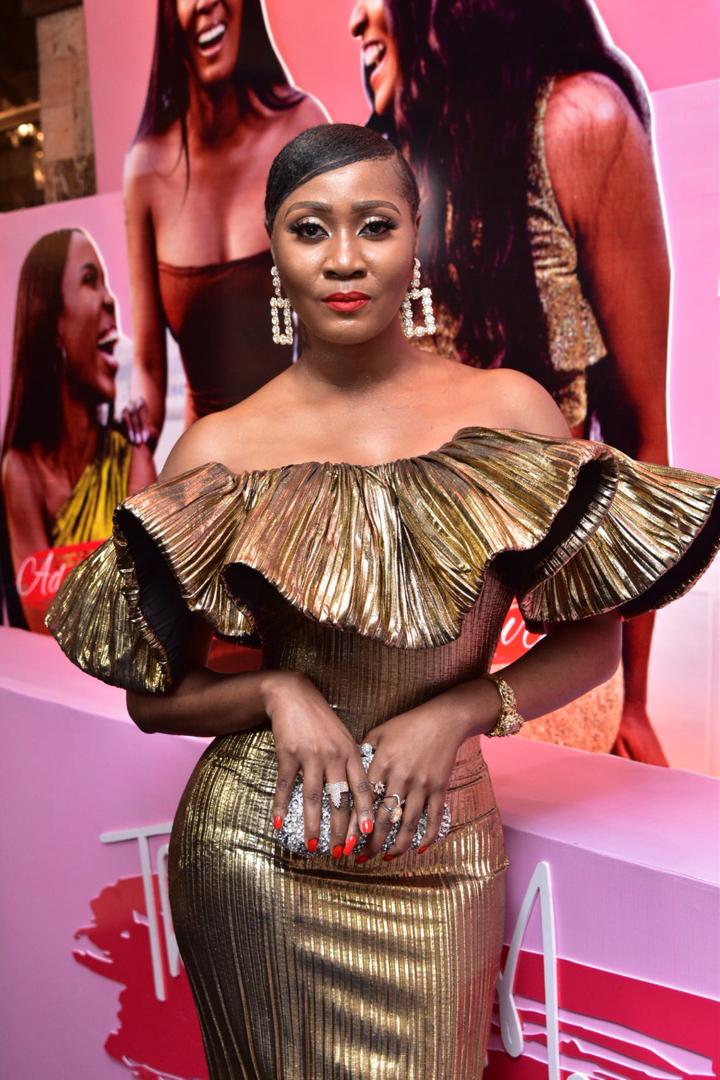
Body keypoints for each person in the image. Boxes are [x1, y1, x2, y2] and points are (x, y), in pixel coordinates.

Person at [46, 125, 720, 1078]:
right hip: (258, 853)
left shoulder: (509, 411)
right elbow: (153, 699)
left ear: (417, 236)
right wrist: (275, 693)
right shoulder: (221, 449)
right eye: (309, 229)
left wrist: (461, 709)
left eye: (374, 225)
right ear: (274, 253)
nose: (344, 259)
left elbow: (595, 646)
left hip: (439, 856)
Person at [349, 0, 672, 763]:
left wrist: (635, 699)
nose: (356, 19)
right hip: (396, 667)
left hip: (544, 673)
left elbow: (640, 441)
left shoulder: (578, 121)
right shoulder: (381, 166)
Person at [124, 0, 328, 444]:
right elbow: (149, 370)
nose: (205, 3)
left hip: (301, 451)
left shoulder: (301, 128)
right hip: (205, 468)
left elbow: (341, 316)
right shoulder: (145, 171)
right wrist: (134, 433)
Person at [0, 228, 154, 633]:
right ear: (51, 324)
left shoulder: (129, 455)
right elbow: (42, 622)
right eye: (89, 280)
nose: (110, 299)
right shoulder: (21, 471)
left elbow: (152, 594)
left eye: (106, 282)